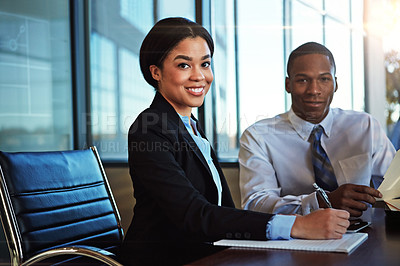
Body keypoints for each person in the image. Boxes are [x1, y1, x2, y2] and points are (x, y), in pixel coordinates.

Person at [121, 21, 350, 266]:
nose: (199, 76)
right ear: (155, 72)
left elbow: (221, 208)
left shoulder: (189, 126)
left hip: (207, 253)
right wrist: (297, 225)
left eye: (205, 64)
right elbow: (194, 214)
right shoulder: (149, 128)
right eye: (184, 65)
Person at [239, 42, 396, 219]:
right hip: (294, 239)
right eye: (303, 80)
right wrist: (322, 201)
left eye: (324, 79)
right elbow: (255, 204)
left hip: (364, 234)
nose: (314, 90)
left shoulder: (365, 126)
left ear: (335, 84)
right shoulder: (259, 136)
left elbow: (395, 190)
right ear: (288, 84)